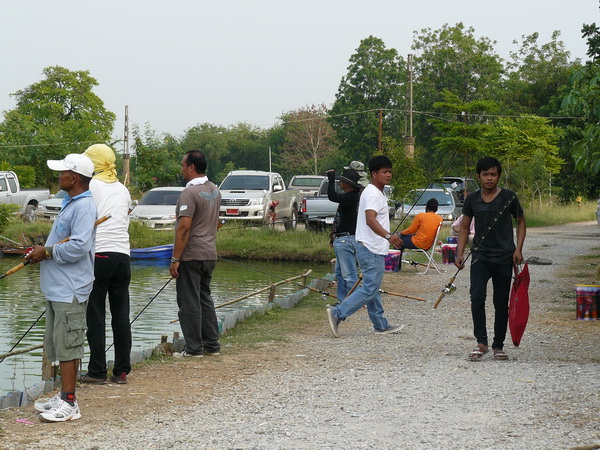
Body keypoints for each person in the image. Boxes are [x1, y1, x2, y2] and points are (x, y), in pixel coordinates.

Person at [28, 154, 97, 422]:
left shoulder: (84, 207)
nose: (59, 177)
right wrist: (42, 252)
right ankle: (63, 395)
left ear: (75, 177)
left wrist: (45, 252)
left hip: (71, 289)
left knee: (69, 345)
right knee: (58, 344)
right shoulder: (70, 203)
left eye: (62, 173)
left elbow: (79, 246)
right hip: (57, 288)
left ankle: (70, 403)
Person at [455, 156, 526, 361]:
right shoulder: (472, 199)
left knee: (501, 303)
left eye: (493, 174)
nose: (489, 178)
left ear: (499, 176)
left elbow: (521, 222)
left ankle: (498, 346)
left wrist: (518, 249)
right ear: (478, 176)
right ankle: (481, 343)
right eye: (485, 174)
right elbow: (465, 227)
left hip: (505, 257)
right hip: (480, 257)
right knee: (477, 298)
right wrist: (460, 253)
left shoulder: (509, 197)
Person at [326, 155, 404, 337]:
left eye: (390, 172)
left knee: (372, 288)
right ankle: (338, 313)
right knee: (369, 288)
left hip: (370, 247)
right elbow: (370, 220)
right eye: (384, 172)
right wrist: (388, 236)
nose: (388, 175)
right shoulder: (373, 194)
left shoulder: (374, 192)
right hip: (371, 248)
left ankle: (381, 325)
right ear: (373, 174)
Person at [81, 144, 133, 385]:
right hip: (123, 256)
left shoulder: (91, 186)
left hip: (99, 255)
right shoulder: (122, 189)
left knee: (96, 315)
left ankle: (97, 371)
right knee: (121, 315)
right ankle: (121, 371)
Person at [170, 150, 222, 358]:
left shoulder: (189, 194)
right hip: (210, 254)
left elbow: (184, 228)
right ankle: (212, 345)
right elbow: (216, 222)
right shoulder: (215, 190)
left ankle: (194, 349)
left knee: (189, 302)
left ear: (192, 167)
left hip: (191, 256)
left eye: (183, 165)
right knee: (204, 299)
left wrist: (175, 258)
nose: (181, 168)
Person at [326, 167, 361, 302]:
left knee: (349, 275)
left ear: (349, 184)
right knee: (340, 274)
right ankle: (343, 300)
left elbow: (332, 196)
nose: (340, 182)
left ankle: (354, 301)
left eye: (342, 181)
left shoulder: (350, 197)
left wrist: (330, 179)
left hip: (345, 241)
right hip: (343, 239)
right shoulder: (350, 197)